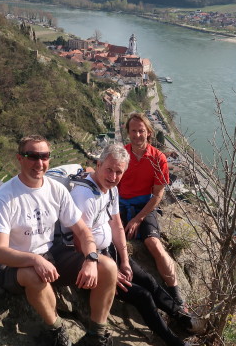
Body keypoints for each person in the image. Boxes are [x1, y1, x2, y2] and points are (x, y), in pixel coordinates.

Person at [62, 143, 200, 346]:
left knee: (148, 280)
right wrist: (110, 273)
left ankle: (180, 316)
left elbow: (117, 225)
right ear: (99, 165)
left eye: (119, 172)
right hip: (91, 259)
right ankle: (173, 341)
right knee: (143, 296)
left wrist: (125, 261)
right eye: (109, 169)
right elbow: (78, 241)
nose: (113, 176)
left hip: (108, 250)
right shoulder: (83, 196)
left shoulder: (110, 190)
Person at [0, 135, 118, 346]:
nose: (39, 163)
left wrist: (91, 259)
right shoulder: (5, 197)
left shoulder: (56, 189)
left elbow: (83, 231)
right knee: (34, 274)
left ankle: (96, 334)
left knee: (108, 267)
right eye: (32, 156)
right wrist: (35, 260)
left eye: (44, 156)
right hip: (13, 265)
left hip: (51, 253)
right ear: (20, 158)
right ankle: (56, 332)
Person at [118, 112, 185, 306]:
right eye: (133, 131)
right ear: (128, 132)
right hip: (120, 204)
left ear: (149, 133)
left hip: (145, 205)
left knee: (154, 244)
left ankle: (176, 293)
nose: (137, 135)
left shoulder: (158, 158)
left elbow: (157, 195)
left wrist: (138, 219)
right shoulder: (121, 155)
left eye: (141, 131)